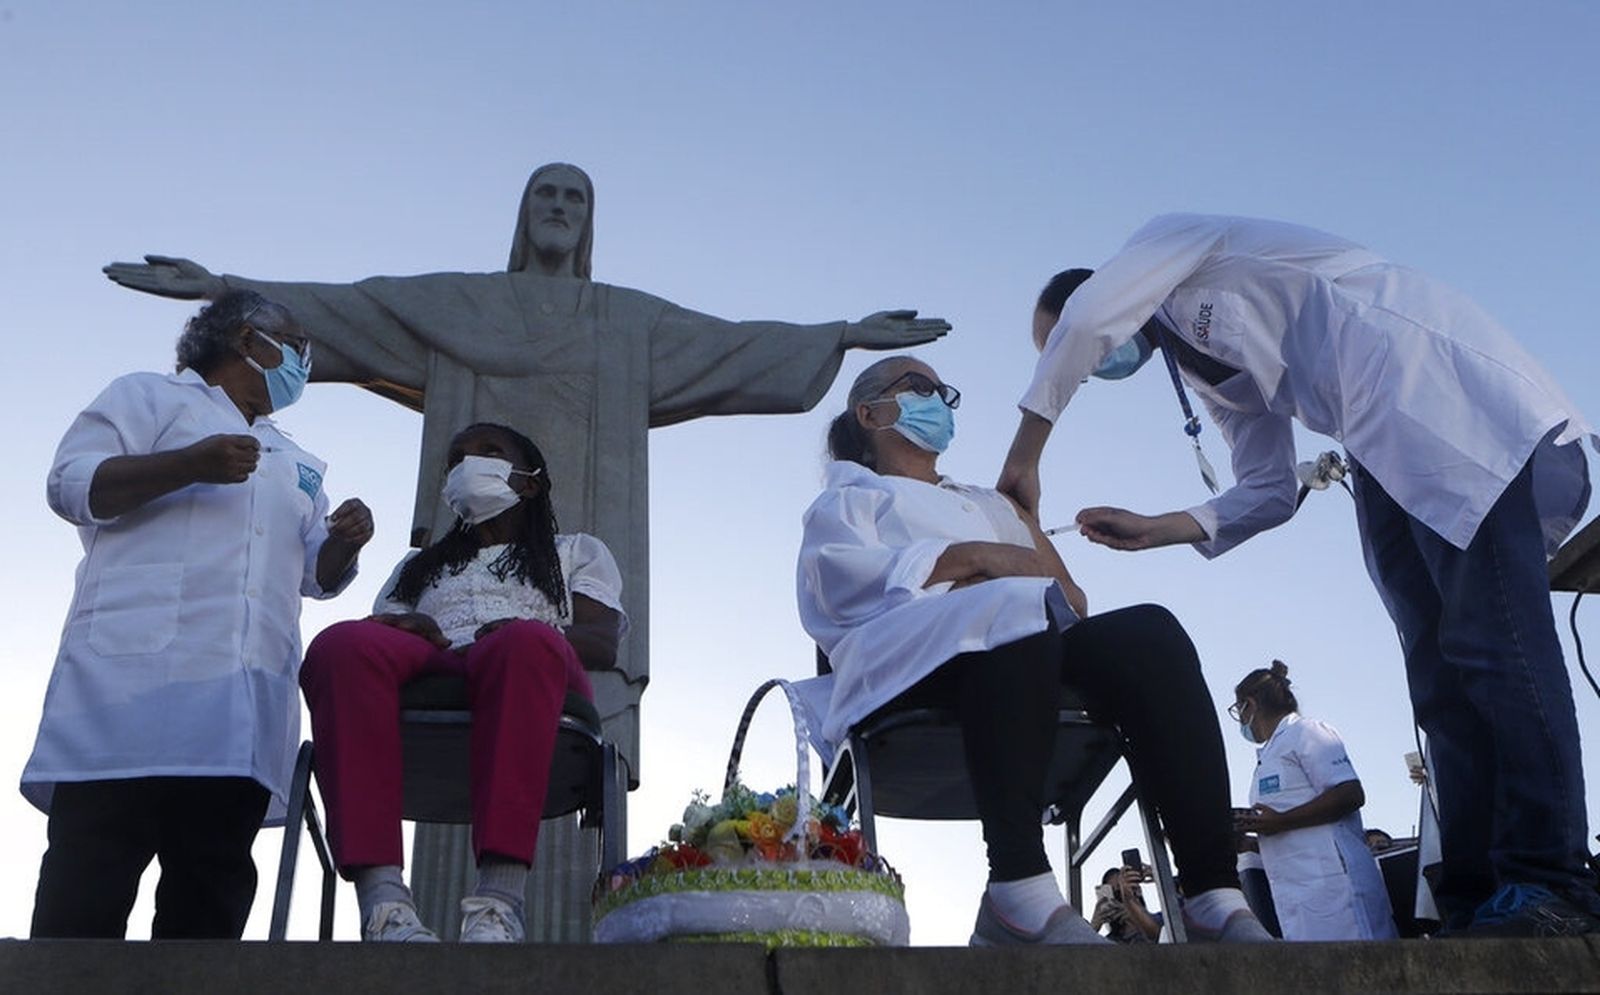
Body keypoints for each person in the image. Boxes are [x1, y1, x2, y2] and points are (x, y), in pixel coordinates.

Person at [102, 162, 950, 784]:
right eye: (545, 193)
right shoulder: (457, 304)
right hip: (452, 578)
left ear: (590, 222)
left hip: (584, 566)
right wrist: (223, 288)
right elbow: (351, 307)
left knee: (565, 708)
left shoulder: (626, 321)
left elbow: (728, 343)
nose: (559, 208)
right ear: (522, 214)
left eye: (575, 197)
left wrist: (838, 335)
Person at [998, 214, 1600, 936]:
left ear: (1100, 296)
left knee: (1493, 643)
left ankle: (1548, 875)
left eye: (1063, 345)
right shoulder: (1205, 371)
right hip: (1373, 437)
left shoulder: (1170, 248)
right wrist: (1160, 527)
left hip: (1428, 388)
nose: (1084, 364)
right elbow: (1270, 488)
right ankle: (1475, 891)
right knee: (1437, 675)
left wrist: (1026, 453)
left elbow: (1091, 319)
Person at [797, 355, 1272, 945]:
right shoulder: (852, 496)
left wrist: (1011, 544)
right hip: (908, 670)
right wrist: (980, 560)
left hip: (1024, 658)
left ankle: (1210, 893)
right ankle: (1015, 888)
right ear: (868, 413)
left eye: (945, 392)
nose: (937, 401)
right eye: (918, 388)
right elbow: (841, 584)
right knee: (1011, 610)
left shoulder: (992, 504)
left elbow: (1068, 598)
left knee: (1152, 635)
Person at [22, 291, 372, 939]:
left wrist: (345, 541)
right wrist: (189, 464)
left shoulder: (296, 460)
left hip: (237, 714)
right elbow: (71, 484)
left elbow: (312, 576)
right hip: (125, 697)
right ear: (247, 338)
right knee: (85, 899)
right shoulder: (148, 398)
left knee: (209, 904)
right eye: (296, 346)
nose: (303, 363)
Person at [299, 422, 625, 943]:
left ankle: (498, 903)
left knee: (525, 646)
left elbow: (602, 640)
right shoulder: (418, 566)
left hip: (529, 670)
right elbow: (385, 630)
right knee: (342, 644)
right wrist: (416, 628)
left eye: (489, 452)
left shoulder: (575, 552)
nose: (468, 464)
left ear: (531, 482)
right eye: (457, 457)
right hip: (435, 661)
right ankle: (384, 904)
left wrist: (531, 629)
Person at [1231, 661, 1397, 941]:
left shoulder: (1307, 732)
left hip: (1336, 888)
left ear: (1249, 705)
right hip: (1299, 897)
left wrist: (1281, 821)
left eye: (1238, 710)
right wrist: (1250, 839)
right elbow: (1288, 830)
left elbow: (1350, 793)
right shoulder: (1270, 753)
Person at [1089, 865, 1164, 942]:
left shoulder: (1164, 921)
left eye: (1120, 892)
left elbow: (1161, 938)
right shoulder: (1109, 942)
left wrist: (1134, 915)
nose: (1116, 900)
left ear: (1137, 890)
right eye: (1112, 894)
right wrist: (1092, 928)